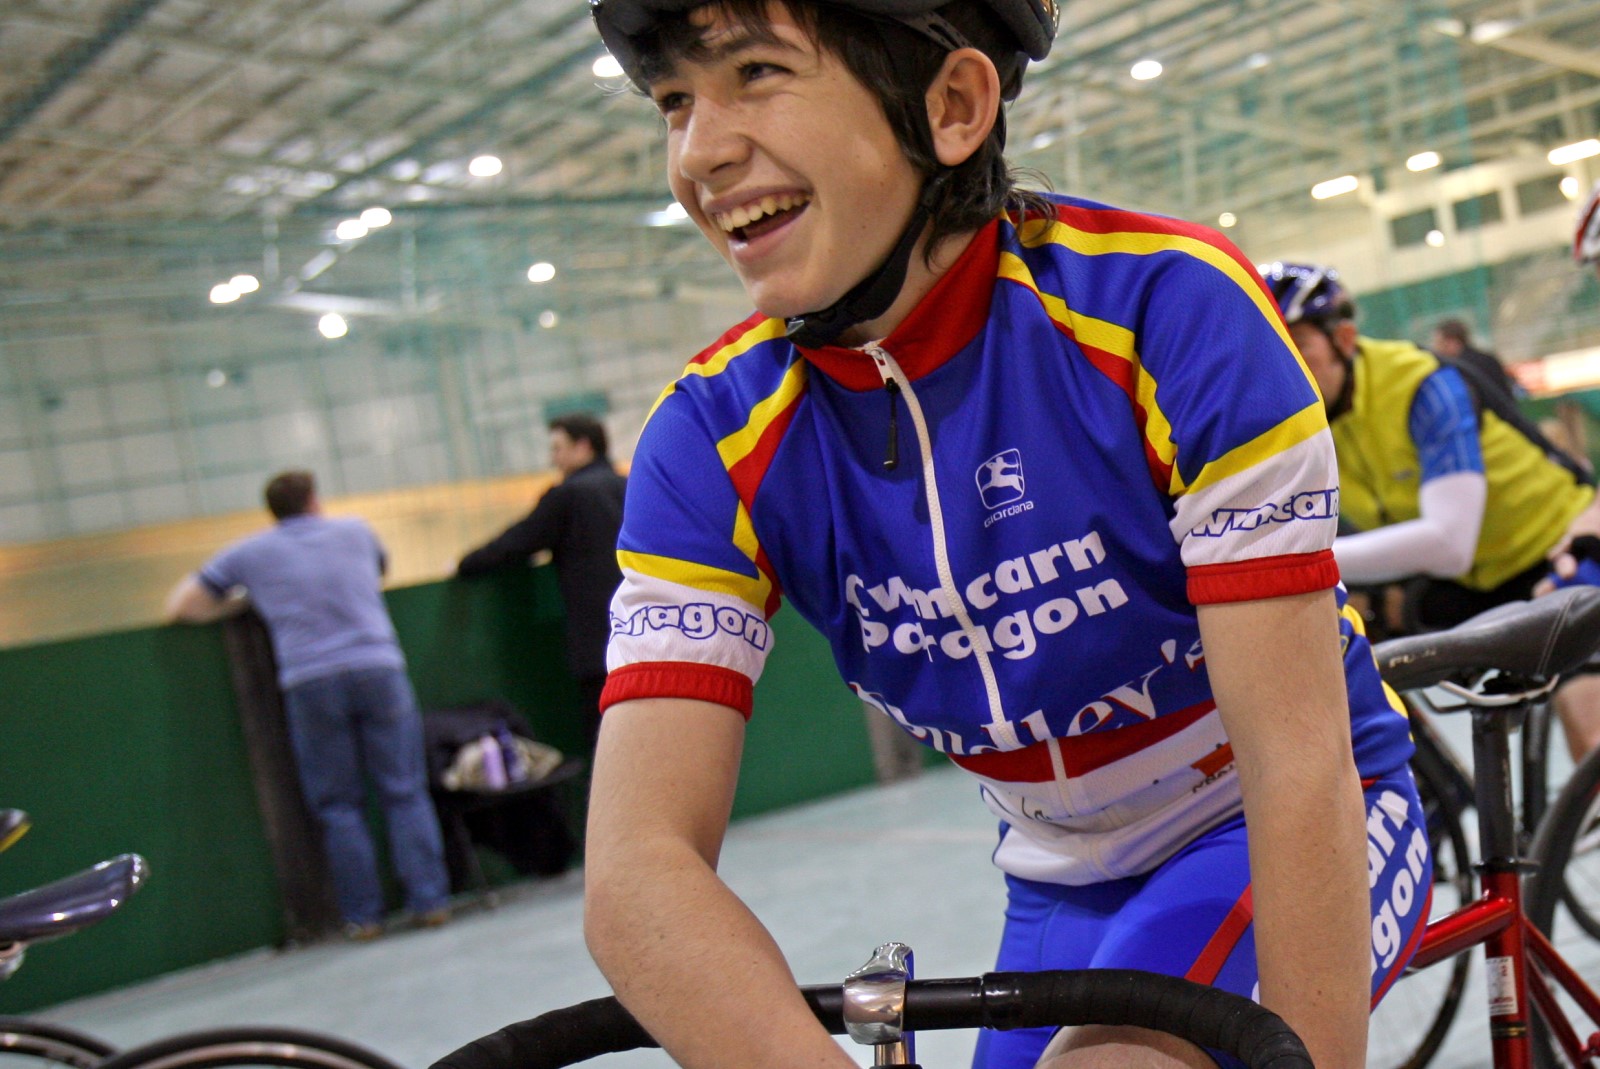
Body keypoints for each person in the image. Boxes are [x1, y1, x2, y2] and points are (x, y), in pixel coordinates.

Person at [581, 3, 1427, 1068]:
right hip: (1057, 878)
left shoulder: (1166, 309)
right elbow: (635, 867)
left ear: (951, 105)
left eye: (756, 71)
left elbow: (1297, 768)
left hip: (1273, 818)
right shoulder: (707, 439)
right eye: (673, 102)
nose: (699, 150)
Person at [1261, 262, 1600, 760]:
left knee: (1588, 732)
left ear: (1346, 339)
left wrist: (1303, 556)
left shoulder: (1421, 383)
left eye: (1300, 346)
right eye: (1273, 353)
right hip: (1472, 585)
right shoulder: (1299, 423)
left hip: (1555, 553)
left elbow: (1449, 542)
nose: (1287, 368)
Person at [165, 470, 451, 941]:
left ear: (272, 511)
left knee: (338, 805)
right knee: (404, 790)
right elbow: (378, 573)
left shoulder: (250, 552)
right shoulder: (357, 531)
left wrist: (241, 605)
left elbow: (183, 605)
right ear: (314, 501)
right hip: (378, 668)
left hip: (309, 682)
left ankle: (364, 917)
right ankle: (430, 902)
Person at [455, 413, 626, 753]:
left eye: (558, 448)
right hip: (647, 634)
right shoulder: (631, 485)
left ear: (583, 446)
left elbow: (516, 543)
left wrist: (465, 564)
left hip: (597, 645)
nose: (554, 458)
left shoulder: (569, 495)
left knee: (608, 741)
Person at [1429, 317, 1520, 402]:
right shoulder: (1488, 358)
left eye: (1439, 343)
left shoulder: (1458, 368)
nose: (1437, 349)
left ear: (1452, 342)